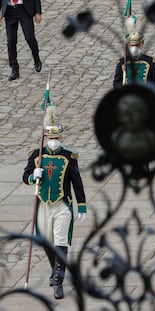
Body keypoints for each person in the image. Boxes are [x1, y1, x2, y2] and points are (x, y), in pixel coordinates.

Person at [22, 106, 87, 299]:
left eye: (56, 138)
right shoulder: (36, 156)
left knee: (60, 240)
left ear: (62, 138)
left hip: (62, 204)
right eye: (50, 139)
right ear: (45, 139)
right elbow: (24, 177)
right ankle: (54, 269)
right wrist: (34, 176)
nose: (53, 142)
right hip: (42, 204)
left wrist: (81, 204)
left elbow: (77, 182)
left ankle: (58, 280)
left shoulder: (69, 157)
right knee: (46, 241)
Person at [1, 0, 42, 81]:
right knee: (11, 41)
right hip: (10, 10)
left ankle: (36, 58)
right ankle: (14, 68)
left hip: (24, 9)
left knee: (29, 37)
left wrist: (38, 12)